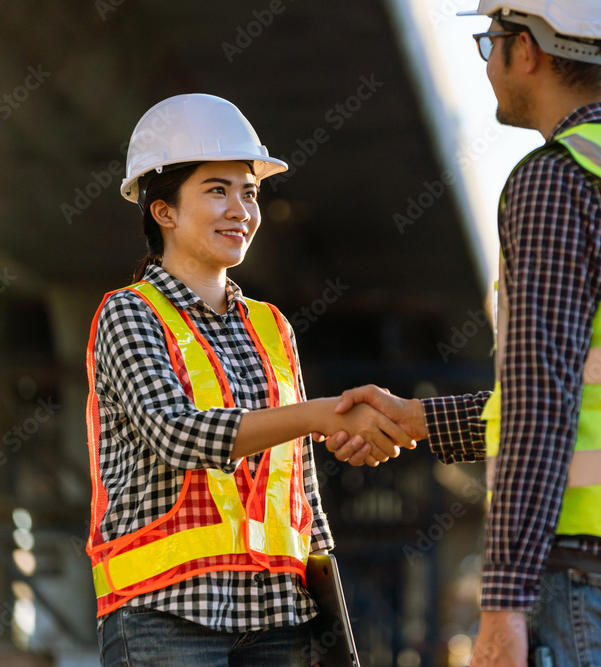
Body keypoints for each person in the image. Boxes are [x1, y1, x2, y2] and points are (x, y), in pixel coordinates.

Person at [327, 1, 601, 665]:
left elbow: (542, 403)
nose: (489, 63)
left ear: (527, 50)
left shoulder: (558, 180)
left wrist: (502, 606)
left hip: (600, 578)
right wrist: (417, 420)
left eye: (490, 40)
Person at [84, 93, 412, 666]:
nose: (241, 209)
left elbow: (301, 487)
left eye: (250, 192)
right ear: (163, 211)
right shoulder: (129, 314)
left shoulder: (271, 326)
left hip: (277, 618)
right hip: (166, 612)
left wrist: (330, 613)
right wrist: (323, 413)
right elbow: (176, 434)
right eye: (217, 189)